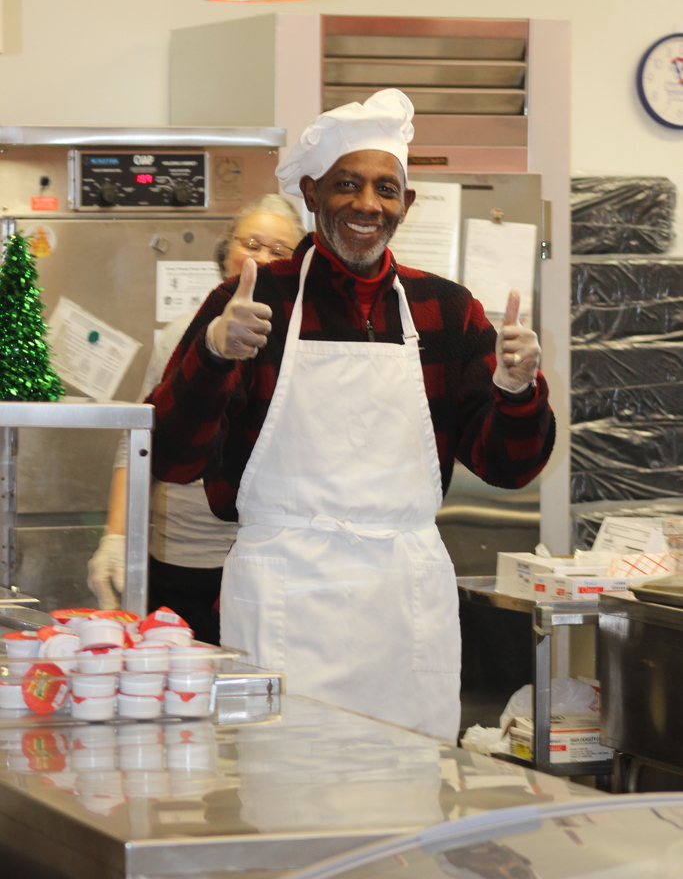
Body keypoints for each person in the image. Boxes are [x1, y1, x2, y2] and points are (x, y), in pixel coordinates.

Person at [147, 88, 555, 739]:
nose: (368, 204)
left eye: (385, 189)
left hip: (404, 604)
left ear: (406, 203)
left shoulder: (447, 311)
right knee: (283, 782)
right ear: (311, 194)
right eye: (347, 184)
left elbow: (510, 469)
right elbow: (169, 456)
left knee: (407, 784)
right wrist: (215, 354)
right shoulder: (253, 302)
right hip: (284, 597)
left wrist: (516, 392)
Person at [87, 193, 305, 643]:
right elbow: (140, 439)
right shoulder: (182, 334)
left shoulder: (306, 346)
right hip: (179, 558)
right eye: (251, 244)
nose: (262, 259)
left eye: (278, 250)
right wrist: (115, 537)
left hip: (273, 560)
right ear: (226, 251)